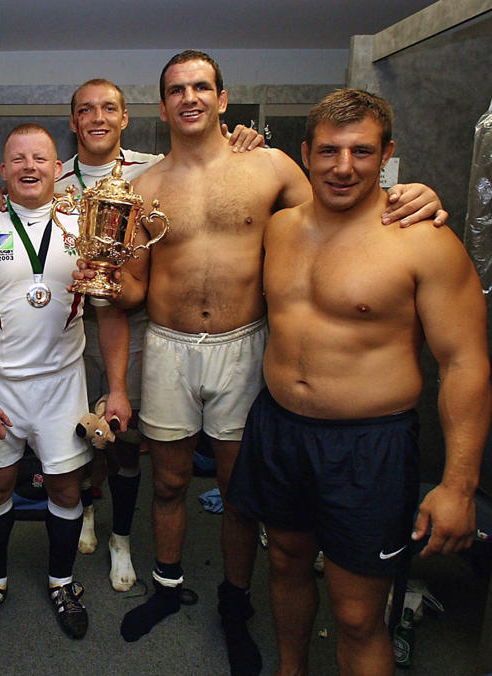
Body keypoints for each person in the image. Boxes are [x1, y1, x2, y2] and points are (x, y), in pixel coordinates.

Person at [90, 51, 445, 674]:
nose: (190, 97)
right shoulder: (140, 187)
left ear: (223, 99)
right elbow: (135, 290)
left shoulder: (272, 165)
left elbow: (341, 214)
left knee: (240, 493)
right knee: (169, 480)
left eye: (202, 86)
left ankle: (234, 602)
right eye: (176, 89)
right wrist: (106, 285)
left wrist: (412, 198)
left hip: (247, 344)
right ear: (162, 104)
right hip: (169, 345)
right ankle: (167, 587)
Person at [228, 88, 491, 675]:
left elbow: (466, 364)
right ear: (306, 153)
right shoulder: (279, 229)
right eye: (328, 151)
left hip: (369, 447)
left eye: (362, 152)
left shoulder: (426, 239)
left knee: (356, 614)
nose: (343, 167)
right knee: (287, 565)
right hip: (280, 430)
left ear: (387, 155)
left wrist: (458, 486)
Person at [56, 78, 263, 592]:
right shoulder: (51, 178)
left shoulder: (154, 172)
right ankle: (86, 506)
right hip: (68, 330)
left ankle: (121, 536)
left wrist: (247, 144)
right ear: (73, 122)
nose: (97, 118)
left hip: (139, 324)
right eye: (86, 110)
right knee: (77, 438)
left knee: (125, 438)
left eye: (109, 108)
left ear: (126, 118)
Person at [0, 123, 92, 641]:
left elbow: (112, 309)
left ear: (59, 169)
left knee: (66, 487)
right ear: (2, 172)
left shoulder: (84, 224)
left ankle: (61, 580)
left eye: (41, 158)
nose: (30, 167)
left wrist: (115, 387)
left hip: (62, 386)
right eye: (18, 159)